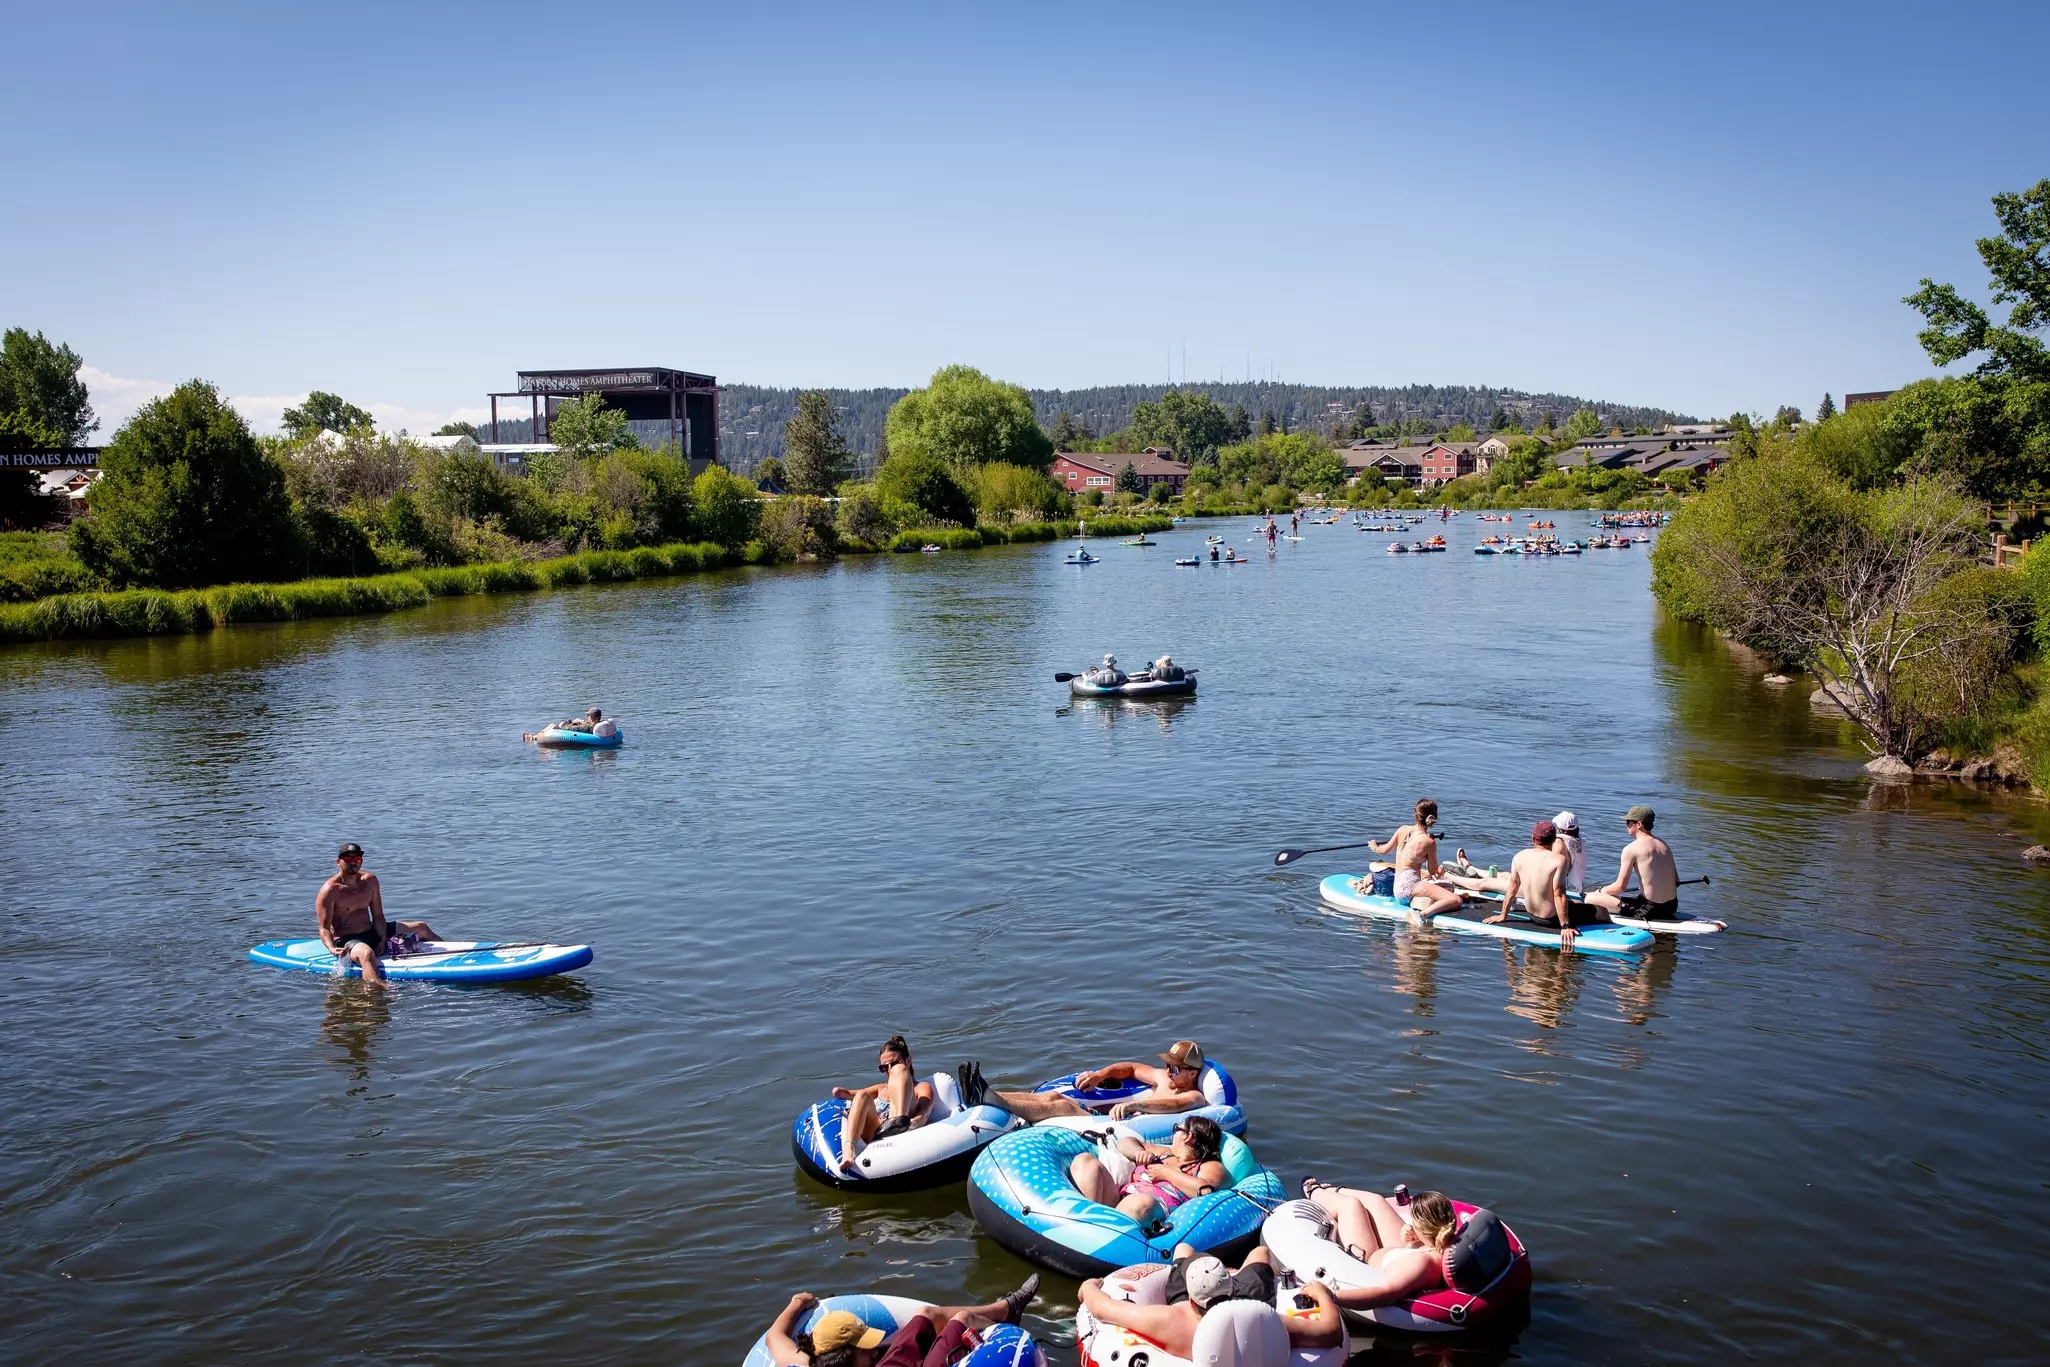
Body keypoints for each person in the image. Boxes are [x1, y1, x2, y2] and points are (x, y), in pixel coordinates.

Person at [1079, 1244, 1344, 1357]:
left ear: (1191, 1297)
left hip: (1192, 1308)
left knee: (1183, 1250)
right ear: (1233, 1290)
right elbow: (1332, 1334)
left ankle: (1194, 1264)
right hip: (1245, 1297)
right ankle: (1240, 1271)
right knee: (1260, 1252)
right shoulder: (1266, 1320)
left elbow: (1102, 1308)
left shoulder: (1168, 1320)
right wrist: (1321, 1293)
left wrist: (1088, 1287)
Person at [761, 1278, 1039, 1367]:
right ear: (845, 1355)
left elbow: (774, 1337)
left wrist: (797, 1302)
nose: (874, 1349)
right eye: (863, 1349)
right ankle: (1012, 1331)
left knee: (926, 1315)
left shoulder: (809, 1362)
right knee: (962, 1320)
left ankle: (1005, 1310)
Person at [1297, 1181, 1463, 1311]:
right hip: (1400, 1251)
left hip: (1370, 1258)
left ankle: (1314, 1192)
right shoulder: (1445, 1241)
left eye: (1413, 1220)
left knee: (1351, 1205)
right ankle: (1332, 1190)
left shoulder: (1421, 1264)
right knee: (1376, 1201)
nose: (1410, 1222)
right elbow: (1424, 1247)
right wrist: (1415, 1238)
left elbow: (1385, 1295)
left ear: (1423, 1227)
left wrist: (1330, 1296)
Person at [973, 1039, 1211, 1122]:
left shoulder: (1194, 1097)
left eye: (1175, 1068)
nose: (1168, 1071)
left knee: (1063, 1107)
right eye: (1167, 1064)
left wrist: (1135, 1105)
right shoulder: (1162, 1077)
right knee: (1054, 1096)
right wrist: (1101, 1075)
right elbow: (1131, 1068)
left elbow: (1174, 1106)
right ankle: (988, 1095)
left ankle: (995, 1102)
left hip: (1120, 1127)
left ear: (1192, 1073)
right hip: (1113, 1117)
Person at [1067, 1115, 1230, 1227]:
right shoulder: (1164, 1153)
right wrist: (1138, 1152)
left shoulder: (1207, 1166)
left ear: (1188, 1137)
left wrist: (1166, 1173)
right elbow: (1126, 1142)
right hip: (1118, 1200)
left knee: (1140, 1202)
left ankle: (1102, 1234)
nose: (1173, 1134)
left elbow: (1205, 1190)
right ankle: (1086, 1224)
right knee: (1085, 1161)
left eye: (1176, 1129)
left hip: (1152, 1209)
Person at [316, 843, 441, 982]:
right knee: (367, 954)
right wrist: (332, 949)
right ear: (338, 862)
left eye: (356, 859)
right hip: (347, 940)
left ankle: (453, 957)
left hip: (371, 930)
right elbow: (324, 928)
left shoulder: (370, 881)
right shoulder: (330, 890)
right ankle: (377, 987)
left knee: (421, 927)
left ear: (361, 861)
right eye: (348, 859)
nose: (353, 863)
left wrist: (382, 937)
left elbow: (378, 915)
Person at [830, 1034, 935, 1174]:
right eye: (884, 1068)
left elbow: (925, 1111)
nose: (889, 1070)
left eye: (894, 1063)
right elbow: (848, 1095)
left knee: (900, 1071)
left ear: (908, 1061)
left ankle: (898, 1124)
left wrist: (913, 1123)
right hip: (877, 1132)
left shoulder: (921, 1087)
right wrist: (839, 1093)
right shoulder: (880, 1088)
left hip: (903, 1128)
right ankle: (849, 1149)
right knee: (862, 1095)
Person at [1481, 820, 1588, 948]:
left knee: (1576, 904)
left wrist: (1502, 916)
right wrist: (1565, 926)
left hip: (1532, 915)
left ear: (1533, 839)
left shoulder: (1519, 856)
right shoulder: (1559, 860)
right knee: (1601, 911)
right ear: (1554, 839)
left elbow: (1512, 889)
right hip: (1551, 920)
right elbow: (1559, 894)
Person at [1367, 799, 1463, 922]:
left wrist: (1374, 846)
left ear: (1415, 814)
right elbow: (1433, 871)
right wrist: (1441, 870)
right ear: (1433, 819)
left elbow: (1384, 850)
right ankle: (1421, 915)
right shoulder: (1430, 842)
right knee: (1455, 900)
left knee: (1442, 888)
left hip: (1397, 888)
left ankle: (1420, 904)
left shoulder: (1402, 829)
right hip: (1410, 887)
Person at [1585, 804, 1681, 920]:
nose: (1627, 825)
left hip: (1650, 909)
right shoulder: (1664, 845)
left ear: (1639, 824)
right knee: (1629, 896)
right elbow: (1676, 881)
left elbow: (1620, 886)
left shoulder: (1631, 849)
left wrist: (1601, 891)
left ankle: (1626, 909)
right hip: (1672, 906)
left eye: (1628, 822)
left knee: (1590, 898)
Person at [523, 706, 615, 743]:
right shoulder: (600, 725)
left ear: (591, 717)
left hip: (572, 734)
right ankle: (533, 737)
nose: (587, 717)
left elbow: (569, 729)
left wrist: (570, 723)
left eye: (587, 715)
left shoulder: (587, 727)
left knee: (552, 725)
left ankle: (532, 738)